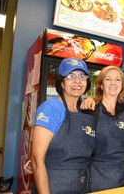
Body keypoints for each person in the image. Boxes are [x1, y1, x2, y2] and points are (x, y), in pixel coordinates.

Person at [30, 57, 95, 194]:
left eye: (82, 76)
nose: (77, 81)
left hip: (81, 186)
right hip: (54, 187)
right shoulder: (51, 109)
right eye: (71, 76)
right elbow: (36, 160)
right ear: (62, 83)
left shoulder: (82, 112)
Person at [87, 65, 124, 192]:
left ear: (122, 85)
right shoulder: (90, 112)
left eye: (118, 79)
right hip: (100, 182)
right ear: (101, 85)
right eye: (108, 79)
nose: (113, 83)